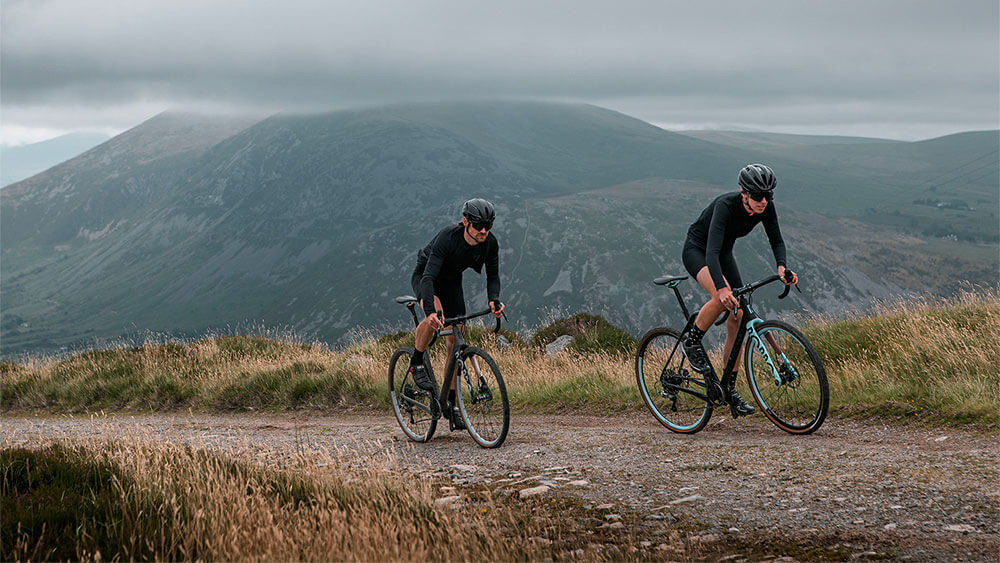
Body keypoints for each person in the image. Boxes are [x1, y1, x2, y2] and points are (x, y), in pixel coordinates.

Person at [680, 163, 798, 417]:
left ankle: (729, 390)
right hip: (698, 251)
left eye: (769, 195)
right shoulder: (725, 205)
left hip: (723, 254)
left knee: (740, 316)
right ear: (743, 193)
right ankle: (691, 340)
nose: (763, 201)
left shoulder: (766, 207)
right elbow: (710, 252)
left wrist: (782, 268)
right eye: (757, 195)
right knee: (723, 299)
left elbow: (776, 240)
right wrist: (722, 288)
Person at [407, 198, 505, 430]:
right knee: (436, 319)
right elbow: (429, 277)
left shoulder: (490, 243)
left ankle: (451, 406)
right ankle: (417, 361)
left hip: (451, 281)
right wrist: (431, 312)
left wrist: (494, 300)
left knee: (456, 339)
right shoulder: (447, 237)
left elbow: (493, 276)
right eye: (479, 225)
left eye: (487, 226)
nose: (483, 231)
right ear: (465, 221)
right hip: (426, 276)